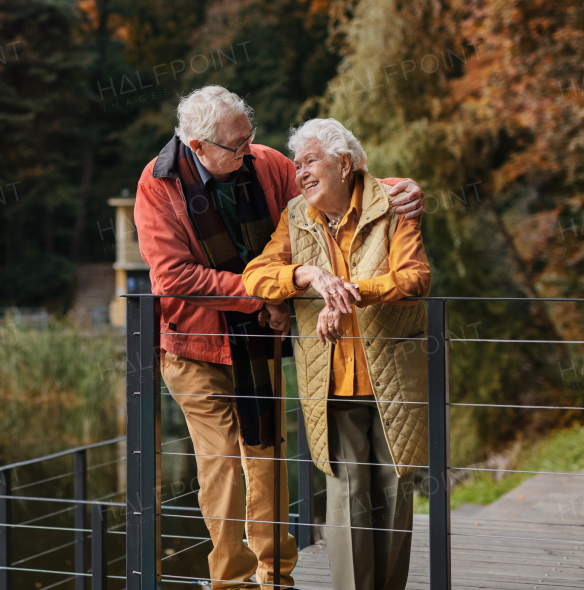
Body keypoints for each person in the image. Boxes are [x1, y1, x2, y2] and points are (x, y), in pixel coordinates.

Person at [134, 88, 425, 590]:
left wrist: (402, 188)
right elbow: (173, 279)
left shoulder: (263, 163)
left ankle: (276, 577)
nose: (249, 149)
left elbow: (336, 179)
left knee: (266, 460)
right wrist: (270, 295)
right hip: (194, 344)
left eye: (250, 137)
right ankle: (230, 581)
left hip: (258, 343)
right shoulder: (159, 184)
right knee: (222, 465)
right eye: (236, 144)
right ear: (200, 147)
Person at [242, 118, 431, 590]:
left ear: (344, 164)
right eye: (297, 164)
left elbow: (414, 278)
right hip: (330, 380)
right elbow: (256, 274)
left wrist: (350, 292)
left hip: (393, 378)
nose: (300, 173)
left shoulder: (394, 206)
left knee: (394, 490)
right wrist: (302, 275)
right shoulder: (296, 216)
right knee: (347, 495)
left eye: (310, 162)